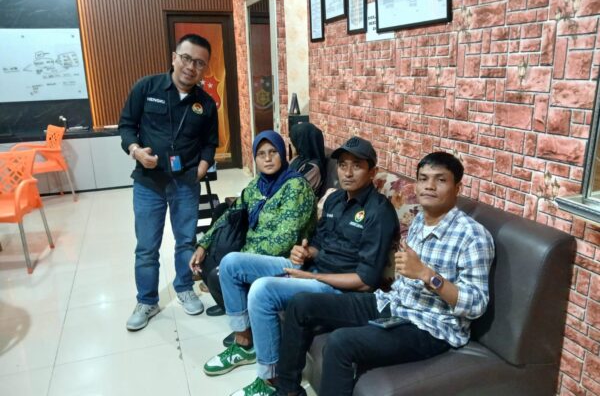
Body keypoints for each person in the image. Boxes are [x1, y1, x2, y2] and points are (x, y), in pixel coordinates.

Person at [275, 152, 495, 396]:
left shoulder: (473, 236)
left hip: (431, 326)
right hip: (393, 304)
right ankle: (288, 391)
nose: (430, 186)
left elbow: (476, 305)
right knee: (301, 304)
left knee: (340, 343)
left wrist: (427, 275)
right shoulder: (420, 221)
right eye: (423, 179)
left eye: (440, 180)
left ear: (457, 188)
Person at [202, 136, 400, 396]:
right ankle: (244, 343)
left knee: (262, 290)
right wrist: (306, 252)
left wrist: (310, 276)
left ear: (372, 171)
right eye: (342, 165)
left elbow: (365, 281)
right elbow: (318, 243)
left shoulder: (379, 212)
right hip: (311, 269)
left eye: (357, 165)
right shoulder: (335, 200)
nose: (348, 172)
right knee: (231, 263)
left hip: (337, 287)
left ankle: (270, 379)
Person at [119, 34, 218, 331]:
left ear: (204, 68)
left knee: (186, 241)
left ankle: (185, 287)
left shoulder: (206, 103)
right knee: (146, 247)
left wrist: (201, 169)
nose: (191, 67)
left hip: (186, 183)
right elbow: (127, 126)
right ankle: (147, 300)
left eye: (199, 63)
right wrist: (136, 151)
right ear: (174, 57)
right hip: (148, 182)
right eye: (186, 58)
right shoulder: (146, 87)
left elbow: (210, 143)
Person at [189, 130, 316, 317]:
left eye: (273, 152)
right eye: (261, 154)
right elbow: (231, 212)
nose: (268, 159)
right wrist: (203, 244)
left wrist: (242, 257)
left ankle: (245, 323)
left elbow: (284, 240)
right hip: (254, 251)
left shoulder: (295, 186)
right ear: (255, 158)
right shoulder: (259, 184)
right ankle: (230, 304)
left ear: (283, 153)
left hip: (284, 258)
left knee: (219, 273)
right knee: (206, 260)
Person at [288, 122, 327, 195]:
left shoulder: (312, 168)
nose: (290, 144)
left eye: (294, 141)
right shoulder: (298, 159)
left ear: (302, 142)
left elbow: (294, 191)